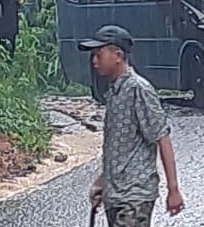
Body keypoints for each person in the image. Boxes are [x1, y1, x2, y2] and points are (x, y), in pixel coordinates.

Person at [79, 25, 184, 227]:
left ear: (118, 56)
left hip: (135, 195)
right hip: (116, 195)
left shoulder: (139, 89)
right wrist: (102, 181)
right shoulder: (114, 92)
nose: (94, 61)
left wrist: (173, 190)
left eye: (99, 55)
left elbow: (162, 137)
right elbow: (119, 148)